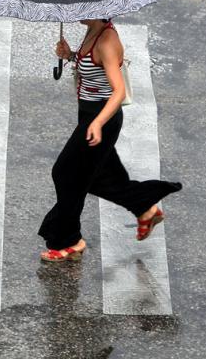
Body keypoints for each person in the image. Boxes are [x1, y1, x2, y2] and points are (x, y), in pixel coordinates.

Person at [38, 18, 183, 262]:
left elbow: (119, 91)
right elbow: (94, 69)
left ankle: (68, 240)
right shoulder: (93, 30)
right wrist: (71, 55)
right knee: (97, 177)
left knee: (64, 173)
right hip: (90, 114)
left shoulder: (106, 41)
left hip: (101, 119)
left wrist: (97, 123)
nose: (76, 10)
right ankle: (145, 209)